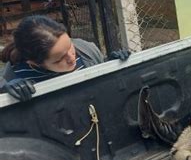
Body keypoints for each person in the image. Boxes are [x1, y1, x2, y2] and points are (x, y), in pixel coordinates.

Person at [0, 15, 130, 101]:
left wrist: (111, 65)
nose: (72, 58)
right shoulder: (16, 76)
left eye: (69, 46)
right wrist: (5, 94)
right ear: (34, 63)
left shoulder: (87, 50)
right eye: (59, 59)